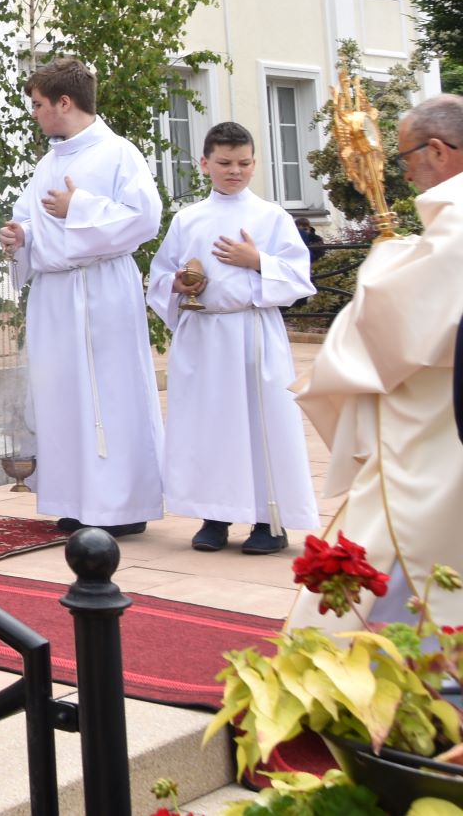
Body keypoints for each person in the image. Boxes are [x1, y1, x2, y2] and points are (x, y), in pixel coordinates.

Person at [290, 93, 463, 628]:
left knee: (395, 537)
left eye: (406, 156)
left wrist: (383, 261)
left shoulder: (456, 219)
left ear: (437, 150)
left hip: (438, 422)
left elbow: (394, 318)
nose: (404, 173)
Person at [0, 58, 165, 537]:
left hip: (102, 289)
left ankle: (122, 506)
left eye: (38, 105)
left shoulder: (119, 153)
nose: (35, 114)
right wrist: (20, 236)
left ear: (64, 103)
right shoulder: (49, 162)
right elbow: (30, 219)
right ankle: (73, 499)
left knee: (109, 395)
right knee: (60, 395)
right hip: (54, 294)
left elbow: (145, 219)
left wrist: (80, 208)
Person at [147, 122, 319, 555]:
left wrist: (257, 260)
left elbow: (299, 277)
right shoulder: (188, 219)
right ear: (204, 164)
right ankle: (215, 515)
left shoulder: (271, 217)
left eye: (243, 163)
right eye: (224, 163)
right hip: (205, 332)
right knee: (210, 425)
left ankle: (270, 519)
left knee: (261, 425)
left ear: (254, 163)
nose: (234, 171)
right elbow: (160, 274)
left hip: (252, 330)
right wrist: (179, 284)